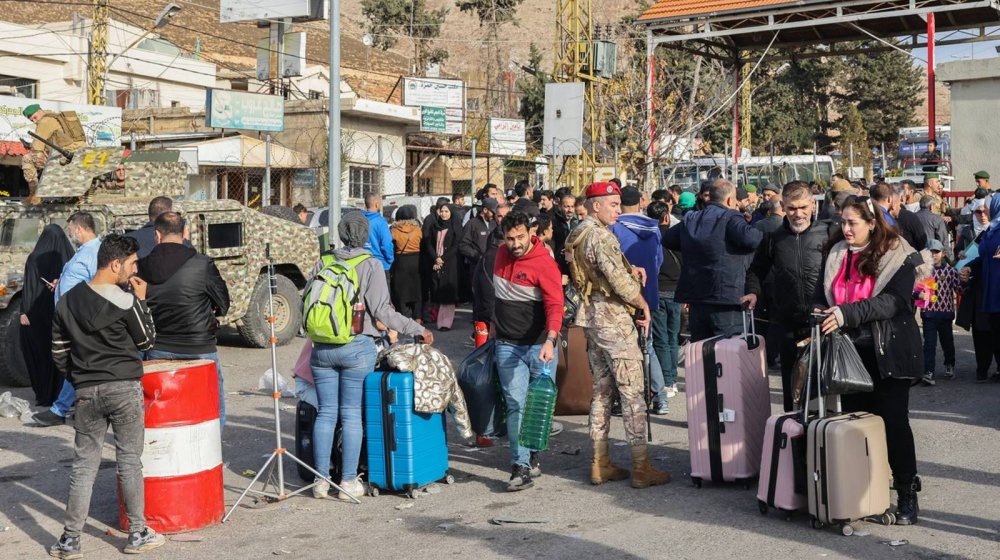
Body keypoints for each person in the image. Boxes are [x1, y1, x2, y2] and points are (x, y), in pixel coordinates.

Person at [49, 234, 162, 557]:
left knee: (84, 465)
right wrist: (141, 300)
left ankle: (70, 540)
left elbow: (58, 352)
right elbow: (146, 342)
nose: (135, 269)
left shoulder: (67, 301)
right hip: (124, 387)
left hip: (86, 390)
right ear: (115, 264)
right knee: (128, 460)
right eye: (132, 263)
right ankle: (138, 533)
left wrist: (79, 378)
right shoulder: (126, 300)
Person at [309, 213, 435, 501]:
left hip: (321, 349)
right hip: (356, 347)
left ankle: (320, 480)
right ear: (366, 236)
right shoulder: (370, 264)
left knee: (326, 413)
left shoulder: (324, 261)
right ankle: (348, 482)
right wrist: (416, 328)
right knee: (351, 413)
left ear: (341, 234)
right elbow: (382, 312)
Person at [815, 197, 923, 525]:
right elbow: (825, 294)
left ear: (872, 223)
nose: (845, 229)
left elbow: (892, 303)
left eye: (852, 223)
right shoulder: (835, 253)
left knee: (893, 423)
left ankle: (906, 492)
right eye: (842, 222)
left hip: (889, 351)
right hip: (849, 353)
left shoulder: (898, 254)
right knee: (855, 426)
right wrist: (821, 311)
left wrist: (846, 313)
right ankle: (864, 493)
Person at [564, 181, 669, 489]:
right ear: (596, 205)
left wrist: (629, 271)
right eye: (612, 204)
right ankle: (641, 466)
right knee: (633, 393)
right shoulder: (598, 235)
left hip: (592, 317)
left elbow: (598, 273)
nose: (618, 210)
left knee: (601, 392)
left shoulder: (578, 232)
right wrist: (641, 301)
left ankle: (600, 463)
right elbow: (618, 283)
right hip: (613, 320)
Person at [491, 211, 564, 491]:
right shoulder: (499, 256)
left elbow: (555, 305)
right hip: (507, 345)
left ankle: (533, 455)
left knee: (539, 408)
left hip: (540, 346)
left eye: (520, 237)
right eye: (510, 238)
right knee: (516, 404)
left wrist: (551, 340)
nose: (516, 243)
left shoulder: (544, 263)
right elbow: (489, 296)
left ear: (530, 233)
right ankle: (519, 466)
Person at [139, 212, 231, 426]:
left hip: (157, 347)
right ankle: (211, 456)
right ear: (186, 233)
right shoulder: (202, 264)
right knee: (211, 410)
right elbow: (224, 304)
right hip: (199, 347)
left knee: (163, 414)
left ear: (157, 235)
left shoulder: (141, 266)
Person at [750, 182, 834, 411]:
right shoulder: (773, 237)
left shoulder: (829, 233)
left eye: (803, 207)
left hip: (824, 321)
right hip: (787, 321)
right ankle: (793, 435)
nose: (798, 214)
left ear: (813, 205)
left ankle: (824, 433)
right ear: (783, 207)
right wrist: (753, 291)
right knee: (791, 384)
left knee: (825, 383)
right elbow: (757, 269)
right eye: (792, 208)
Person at [663, 179, 763, 342]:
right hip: (727, 298)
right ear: (731, 200)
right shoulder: (731, 217)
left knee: (702, 355)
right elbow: (753, 239)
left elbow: (668, 239)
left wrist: (693, 247)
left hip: (697, 297)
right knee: (729, 354)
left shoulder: (691, 218)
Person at [32, 212, 101, 427]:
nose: (69, 233)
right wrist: (60, 284)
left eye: (70, 229)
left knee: (77, 362)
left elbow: (97, 284)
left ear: (79, 229)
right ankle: (68, 407)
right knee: (77, 362)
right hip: (72, 315)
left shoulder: (94, 253)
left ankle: (61, 408)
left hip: (80, 317)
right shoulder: (84, 252)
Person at [609, 187, 668, 415]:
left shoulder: (614, 228)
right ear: (640, 202)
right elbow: (658, 261)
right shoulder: (654, 228)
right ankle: (660, 397)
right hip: (649, 294)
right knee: (648, 347)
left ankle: (625, 399)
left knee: (621, 349)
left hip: (622, 297)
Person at [20, 225, 74, 406]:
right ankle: (63, 396)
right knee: (62, 353)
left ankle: (44, 394)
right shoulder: (69, 258)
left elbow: (28, 289)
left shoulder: (34, 258)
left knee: (41, 353)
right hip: (62, 313)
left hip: (37, 315)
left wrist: (24, 312)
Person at [959, 194, 1000, 383]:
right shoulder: (990, 230)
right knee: (986, 329)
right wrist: (969, 266)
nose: (984, 213)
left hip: (996, 287)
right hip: (985, 288)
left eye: (989, 208)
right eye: (980, 210)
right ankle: (985, 368)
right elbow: (983, 257)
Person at [647, 200, 682, 406]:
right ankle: (673, 378)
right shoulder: (678, 234)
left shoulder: (649, 236)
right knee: (673, 336)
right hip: (677, 291)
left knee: (660, 338)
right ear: (667, 216)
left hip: (658, 290)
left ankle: (667, 381)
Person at [20, 104, 81, 203]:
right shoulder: (55, 117)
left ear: (40, 111)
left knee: (27, 158)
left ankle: (35, 195)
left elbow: (37, 147)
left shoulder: (44, 122)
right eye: (32, 120)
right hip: (77, 154)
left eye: (35, 117)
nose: (35, 121)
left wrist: (32, 148)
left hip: (64, 158)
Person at [920, 240, 960, 386]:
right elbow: (915, 290)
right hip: (928, 313)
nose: (933, 255)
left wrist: (966, 280)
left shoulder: (950, 271)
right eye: (930, 252)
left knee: (947, 342)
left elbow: (959, 288)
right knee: (929, 344)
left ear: (943, 253)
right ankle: (928, 372)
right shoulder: (923, 271)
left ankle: (950, 364)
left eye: (936, 252)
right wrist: (918, 295)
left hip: (945, 314)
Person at [422, 201, 464, 331]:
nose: (444, 214)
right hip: (437, 262)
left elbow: (456, 245)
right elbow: (429, 243)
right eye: (442, 211)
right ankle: (440, 321)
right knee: (438, 292)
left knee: (449, 295)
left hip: (450, 263)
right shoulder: (435, 226)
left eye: (446, 211)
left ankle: (445, 323)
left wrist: (442, 259)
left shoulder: (455, 226)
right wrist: (435, 258)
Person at [389, 205, 423, 321]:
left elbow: (390, 247)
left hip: (400, 261)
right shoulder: (418, 230)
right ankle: (418, 317)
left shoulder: (393, 231)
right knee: (416, 290)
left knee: (401, 290)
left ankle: (404, 317)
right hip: (416, 260)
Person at [362, 192, 394, 280]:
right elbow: (387, 244)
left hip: (362, 264)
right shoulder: (381, 222)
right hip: (381, 266)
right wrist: (390, 260)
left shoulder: (360, 221)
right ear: (376, 204)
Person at [914, 196, 952, 261]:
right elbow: (942, 239)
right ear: (931, 206)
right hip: (932, 254)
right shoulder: (937, 219)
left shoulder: (912, 217)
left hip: (915, 254)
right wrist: (948, 258)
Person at [552, 194, 576, 275]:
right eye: (567, 206)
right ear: (560, 207)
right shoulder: (553, 224)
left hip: (574, 268)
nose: (570, 210)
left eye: (572, 207)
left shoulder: (577, 223)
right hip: (558, 267)